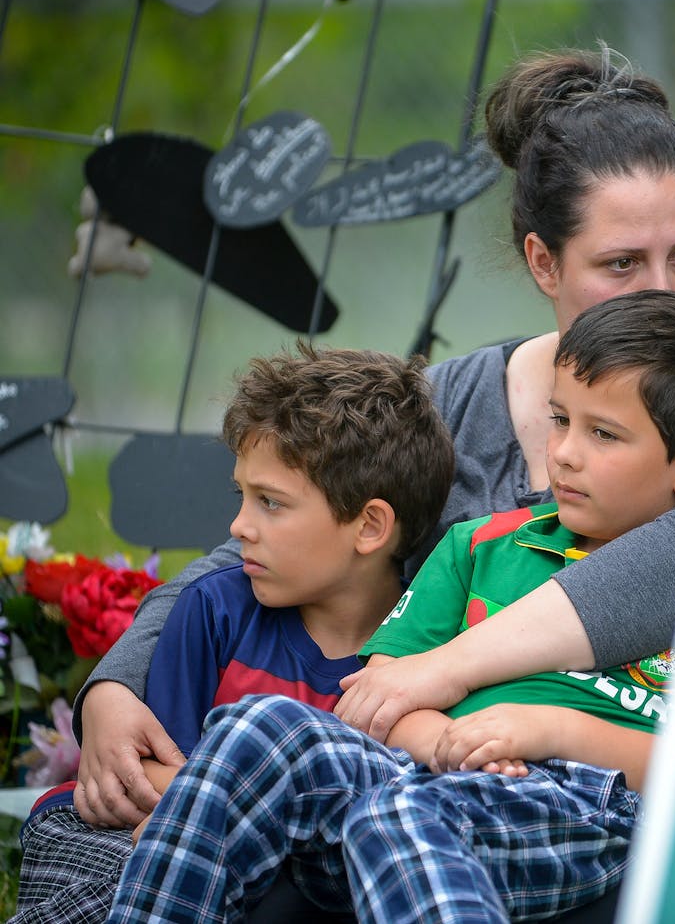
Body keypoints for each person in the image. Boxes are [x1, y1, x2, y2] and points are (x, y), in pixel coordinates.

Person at [72, 42, 675, 832]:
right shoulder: (452, 406)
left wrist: (441, 667)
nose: (664, 294)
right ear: (544, 262)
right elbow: (269, 535)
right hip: (457, 801)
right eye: (623, 263)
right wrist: (119, 685)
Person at [106, 289, 675, 923]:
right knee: (260, 728)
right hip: (435, 777)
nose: (565, 454)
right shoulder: (479, 545)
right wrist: (446, 746)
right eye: (559, 420)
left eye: (603, 434)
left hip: (589, 807)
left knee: (395, 813)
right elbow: (376, 701)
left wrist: (547, 729)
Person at [11, 343, 455, 924]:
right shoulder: (215, 610)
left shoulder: (432, 653)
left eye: (271, 503)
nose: (238, 526)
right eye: (242, 495)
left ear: (369, 526)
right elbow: (146, 783)